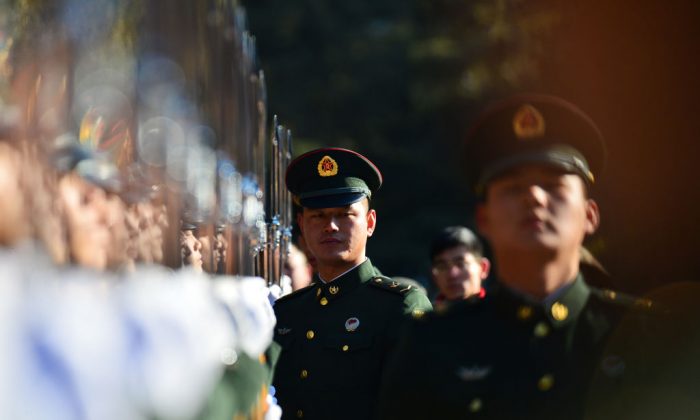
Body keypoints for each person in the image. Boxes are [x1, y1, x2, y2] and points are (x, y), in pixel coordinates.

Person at [377, 94, 661, 419]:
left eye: (553, 186)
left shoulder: (648, 337)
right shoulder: (430, 344)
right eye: (513, 188)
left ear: (590, 215)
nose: (534, 197)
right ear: (483, 219)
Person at [271, 147, 432, 420]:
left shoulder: (400, 306)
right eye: (318, 216)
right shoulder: (287, 312)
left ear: (369, 223)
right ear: (302, 224)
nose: (330, 226)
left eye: (344, 214)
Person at [429, 226, 490, 308]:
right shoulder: (427, 318)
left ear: (483, 268)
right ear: (434, 276)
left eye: (461, 264)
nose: (452, 274)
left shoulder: (503, 314)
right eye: (442, 267)